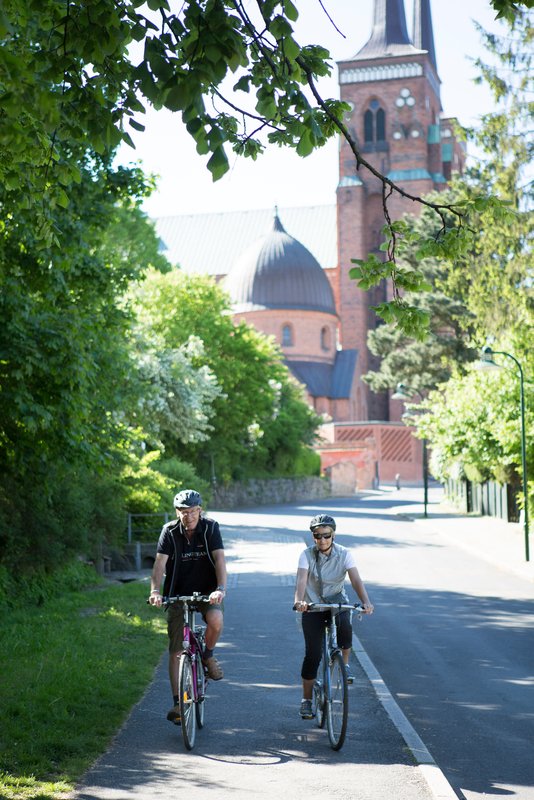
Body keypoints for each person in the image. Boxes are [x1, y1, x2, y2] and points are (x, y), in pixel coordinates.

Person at [148, 489, 227, 724]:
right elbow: (160, 563)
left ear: (200, 510)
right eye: (183, 512)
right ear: (177, 512)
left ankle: (208, 656)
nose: (188, 516)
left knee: (215, 620)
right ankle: (177, 703)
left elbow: (220, 558)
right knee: (176, 651)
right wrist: (154, 591)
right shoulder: (169, 532)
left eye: (192, 511)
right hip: (177, 594)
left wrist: (220, 588)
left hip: (207, 592)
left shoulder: (210, 528)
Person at [294, 513, 374, 719]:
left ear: (333, 535)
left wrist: (366, 601)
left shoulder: (345, 554)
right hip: (313, 607)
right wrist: (299, 601)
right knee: (313, 655)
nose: (322, 540)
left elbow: (356, 579)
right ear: (313, 537)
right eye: (317, 536)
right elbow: (301, 580)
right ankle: (307, 700)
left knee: (346, 627)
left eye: (326, 536)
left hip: (337, 603)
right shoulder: (306, 555)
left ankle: (345, 665)